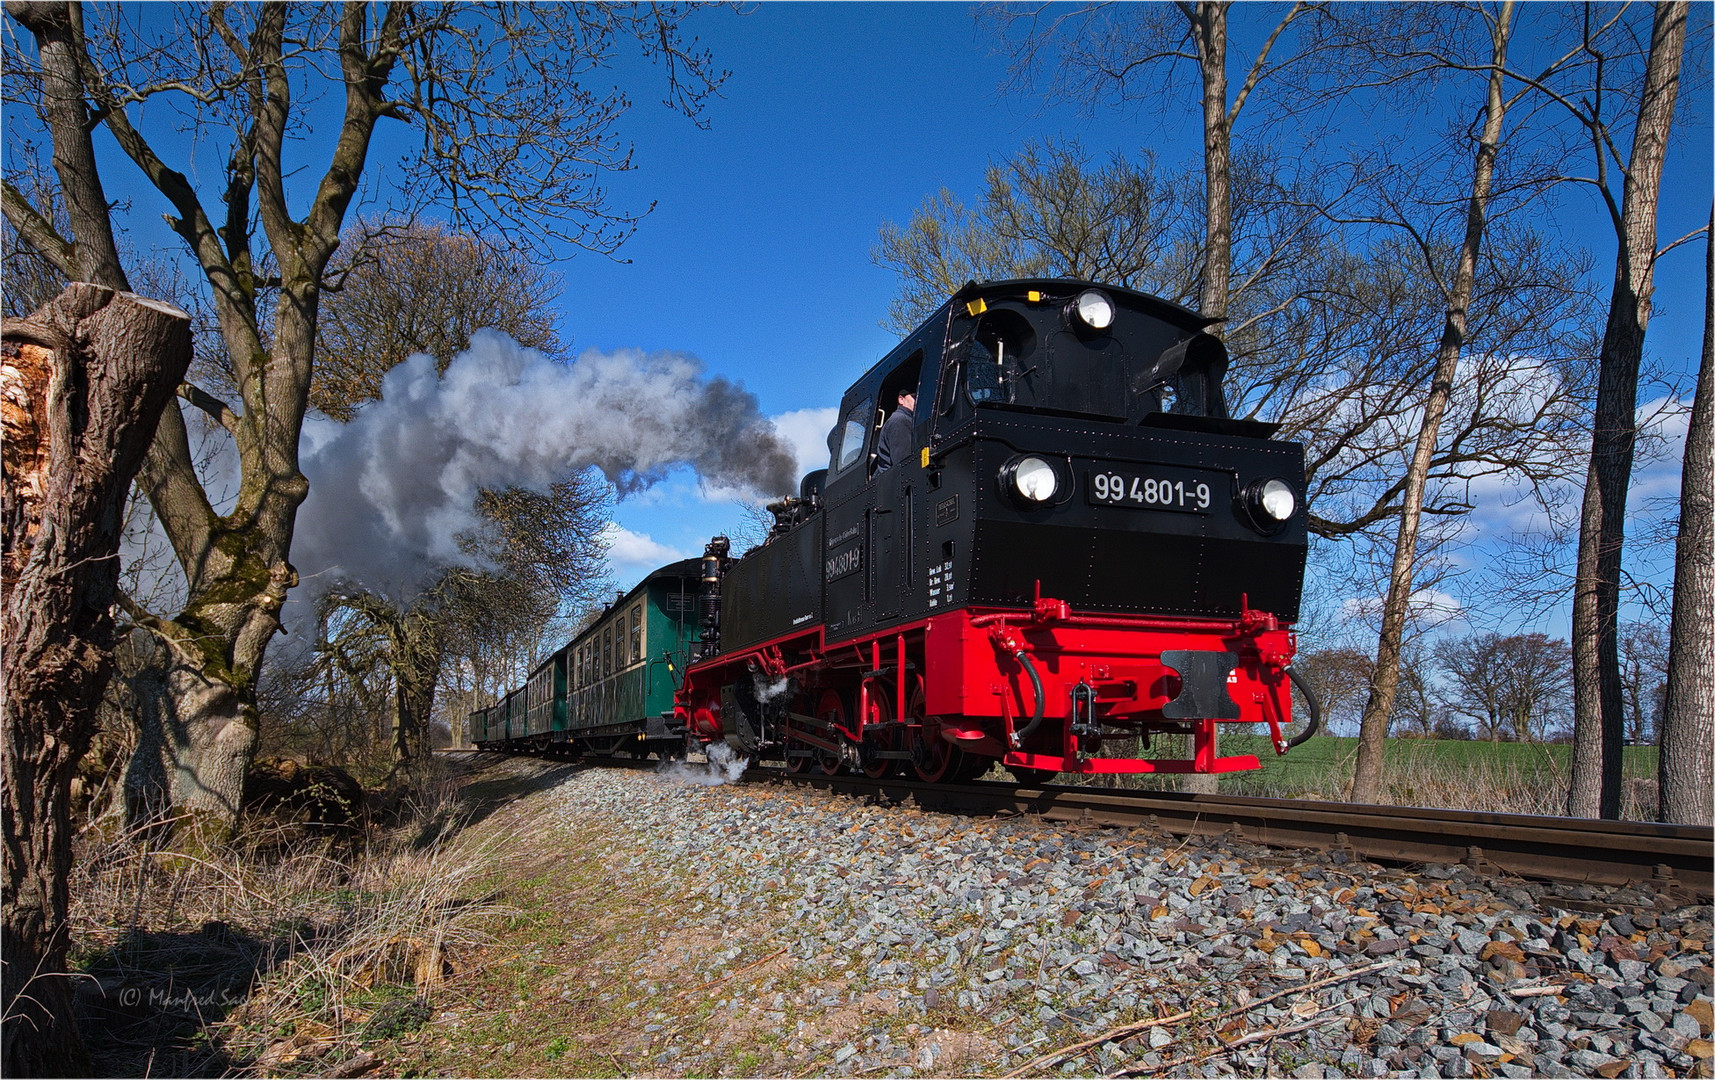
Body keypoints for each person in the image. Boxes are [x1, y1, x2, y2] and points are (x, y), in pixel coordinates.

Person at [874, 389, 915, 473]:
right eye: (914, 396)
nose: (917, 399)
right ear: (901, 399)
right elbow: (905, 463)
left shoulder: (901, 419)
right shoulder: (901, 420)